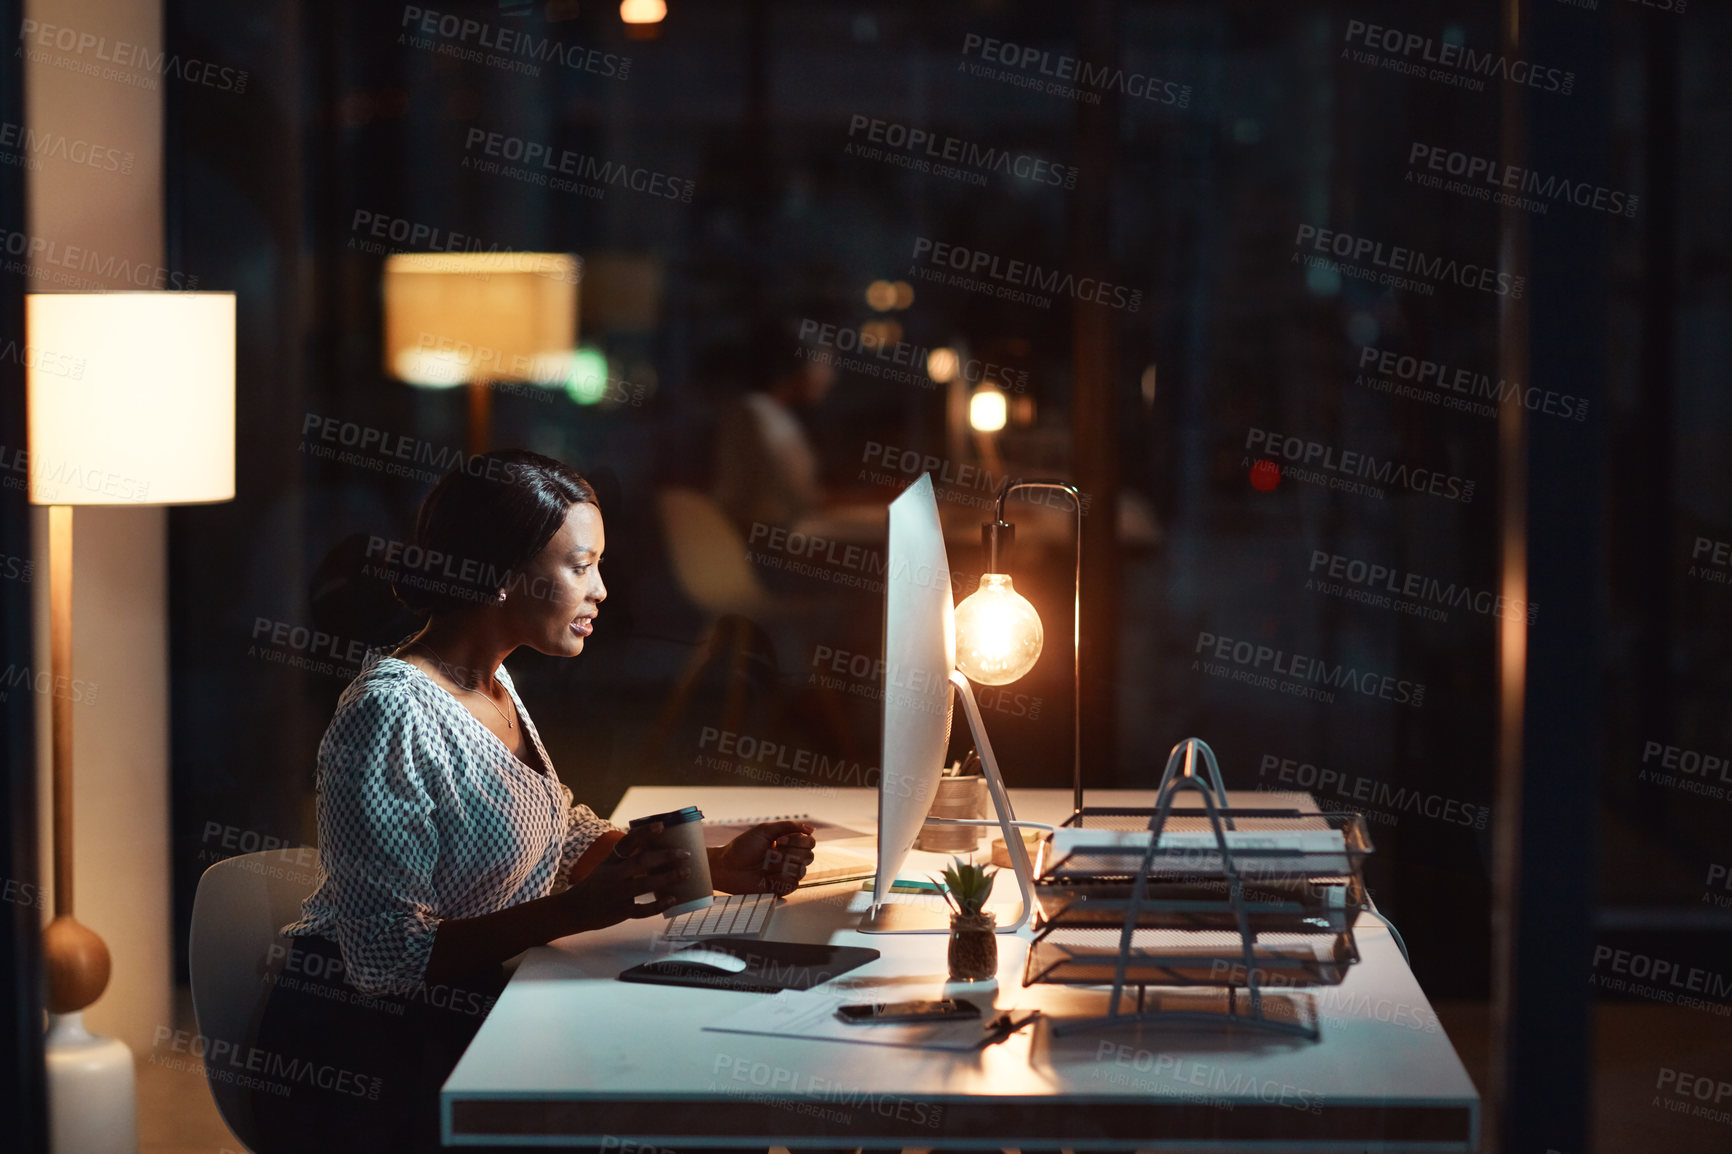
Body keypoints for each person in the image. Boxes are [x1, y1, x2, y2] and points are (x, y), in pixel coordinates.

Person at [250, 450, 817, 1153]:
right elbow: (382, 961)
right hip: (368, 1060)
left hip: (462, 1010)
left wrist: (719, 865)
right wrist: (578, 911)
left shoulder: (493, 684)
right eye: (580, 567)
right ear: (500, 573)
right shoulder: (391, 713)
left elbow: (560, 832)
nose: (602, 590)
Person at [712, 327, 835, 532]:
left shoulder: (778, 413)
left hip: (780, 532)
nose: (830, 376)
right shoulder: (754, 413)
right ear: (799, 364)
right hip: (764, 539)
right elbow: (791, 492)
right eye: (824, 363)